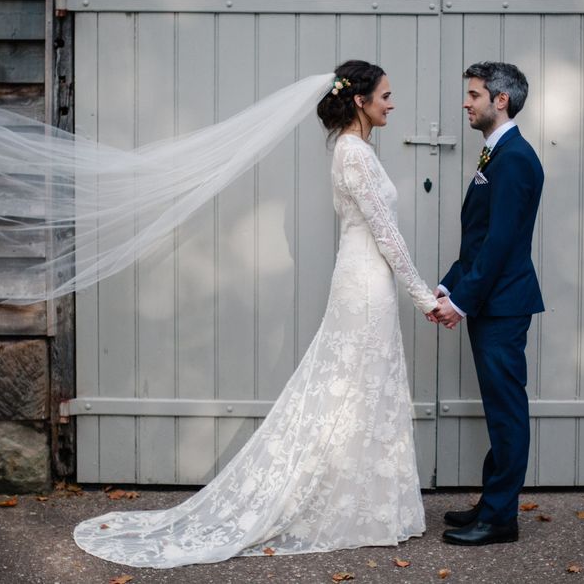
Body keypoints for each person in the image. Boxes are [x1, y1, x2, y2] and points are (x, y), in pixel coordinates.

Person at [71, 60, 440, 567]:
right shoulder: (353, 153)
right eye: (386, 95)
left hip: (364, 277)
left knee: (363, 389)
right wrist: (424, 296)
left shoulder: (352, 149)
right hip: (365, 283)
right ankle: (350, 506)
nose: (392, 103)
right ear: (360, 100)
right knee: (355, 387)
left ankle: (370, 506)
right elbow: (388, 236)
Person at [432, 62, 544, 546]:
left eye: (474, 94)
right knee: (500, 410)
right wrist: (449, 287)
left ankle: (501, 519)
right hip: (490, 299)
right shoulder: (496, 153)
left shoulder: (515, 157)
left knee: (506, 411)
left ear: (501, 100)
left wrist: (462, 303)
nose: (466, 102)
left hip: (502, 304)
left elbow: (500, 243)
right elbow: (478, 240)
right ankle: (491, 502)